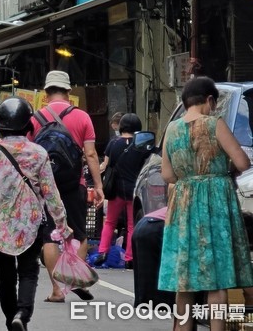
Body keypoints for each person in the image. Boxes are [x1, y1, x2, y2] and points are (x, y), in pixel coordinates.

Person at [0, 97, 71, 331]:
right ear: (28, 125)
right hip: (30, 225)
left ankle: (10, 320)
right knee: (28, 272)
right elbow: (51, 194)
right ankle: (22, 314)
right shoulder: (39, 153)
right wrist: (62, 225)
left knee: (5, 277)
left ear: (0, 125)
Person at [159, 76, 253, 330]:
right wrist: (224, 168)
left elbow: (167, 175)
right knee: (216, 277)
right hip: (215, 202)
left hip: (184, 204)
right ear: (209, 100)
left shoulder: (172, 129)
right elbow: (243, 163)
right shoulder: (215, 124)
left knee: (185, 278)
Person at [27, 70, 103, 302]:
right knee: (78, 233)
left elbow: (29, 155)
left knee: (50, 235)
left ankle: (57, 290)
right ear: (69, 91)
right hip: (74, 183)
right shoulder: (82, 117)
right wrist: (98, 185)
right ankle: (73, 279)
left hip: (46, 186)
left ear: (45, 92)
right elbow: (90, 154)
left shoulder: (35, 118)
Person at [94, 113, 151, 269]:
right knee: (132, 226)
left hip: (117, 190)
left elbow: (105, 165)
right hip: (134, 190)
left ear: (122, 126)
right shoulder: (142, 144)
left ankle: (102, 252)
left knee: (110, 222)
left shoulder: (113, 144)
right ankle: (129, 258)